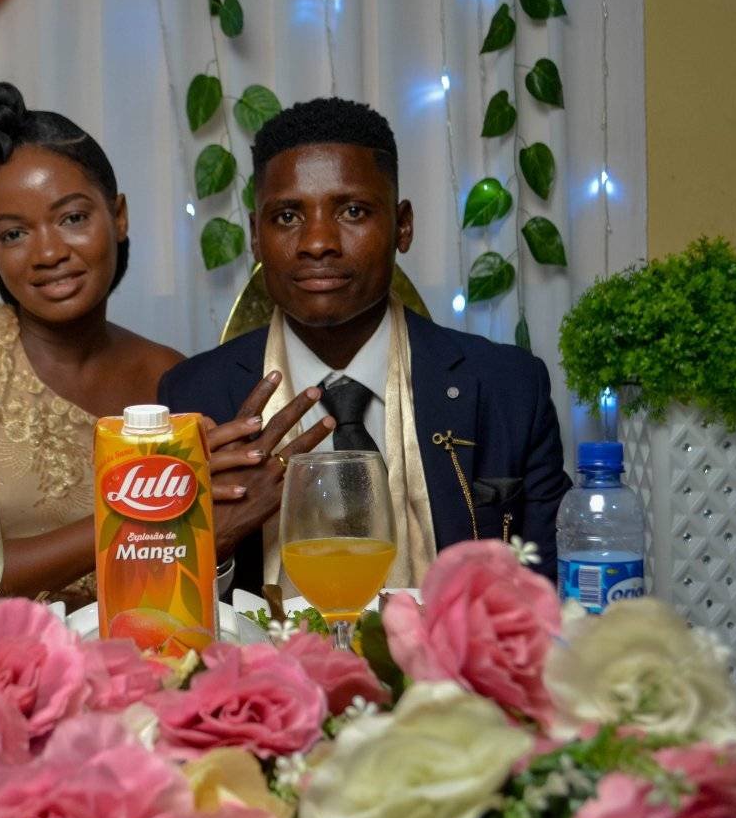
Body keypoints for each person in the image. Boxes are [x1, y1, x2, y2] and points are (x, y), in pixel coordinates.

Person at [0, 82, 325, 607]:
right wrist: (145, 510)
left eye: (73, 218)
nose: (48, 252)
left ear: (118, 216)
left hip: (110, 647)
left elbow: (173, 577)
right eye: (14, 234)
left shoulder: (170, 379)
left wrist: (217, 530)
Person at [160, 96, 571, 597]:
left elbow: (552, 595)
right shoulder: (194, 398)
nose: (318, 242)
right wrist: (217, 539)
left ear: (403, 225)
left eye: (352, 211)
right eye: (287, 217)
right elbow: (159, 608)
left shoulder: (507, 387)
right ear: (255, 236)